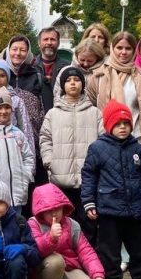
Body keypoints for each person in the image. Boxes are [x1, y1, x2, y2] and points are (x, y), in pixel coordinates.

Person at [86, 32, 141, 274]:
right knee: (114, 200)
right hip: (108, 146)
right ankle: (119, 255)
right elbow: (91, 109)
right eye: (119, 47)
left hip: (138, 143)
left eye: (128, 48)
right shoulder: (98, 76)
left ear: (134, 51)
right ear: (112, 48)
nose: (123, 52)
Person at [81, 100, 141, 279]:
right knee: (109, 253)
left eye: (126, 123)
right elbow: (88, 177)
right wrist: (89, 202)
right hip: (109, 211)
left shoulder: (138, 149)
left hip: (135, 211)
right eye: (117, 123)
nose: (122, 127)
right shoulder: (97, 148)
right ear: (108, 125)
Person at [39, 67, 103, 244]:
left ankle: (90, 262)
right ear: (62, 85)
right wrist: (49, 161)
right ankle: (70, 261)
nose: (73, 83)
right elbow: (45, 138)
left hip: (88, 180)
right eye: (68, 80)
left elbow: (102, 140)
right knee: (65, 223)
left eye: (76, 80)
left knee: (89, 222)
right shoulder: (53, 113)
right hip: (61, 178)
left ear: (83, 84)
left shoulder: (94, 113)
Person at [28, 184, 106, 279]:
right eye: (49, 210)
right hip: (44, 274)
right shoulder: (33, 224)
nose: (54, 213)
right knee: (56, 260)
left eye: (57, 208)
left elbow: (86, 252)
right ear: (40, 211)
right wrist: (51, 238)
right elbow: (35, 252)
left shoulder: (71, 224)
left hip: (69, 271)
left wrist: (99, 276)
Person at [51, 38, 106, 102]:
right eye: (82, 60)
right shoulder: (65, 71)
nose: (85, 64)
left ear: (97, 58)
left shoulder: (103, 73)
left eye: (90, 61)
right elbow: (56, 95)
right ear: (77, 55)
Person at [36, 27, 70, 112]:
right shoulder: (31, 67)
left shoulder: (67, 67)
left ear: (58, 43)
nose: (49, 43)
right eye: (45, 39)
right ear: (39, 43)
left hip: (61, 113)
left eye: (52, 39)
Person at [0, 35, 43, 99]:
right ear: (8, 51)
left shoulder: (36, 76)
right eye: (14, 49)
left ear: (28, 53)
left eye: (23, 50)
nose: (18, 53)